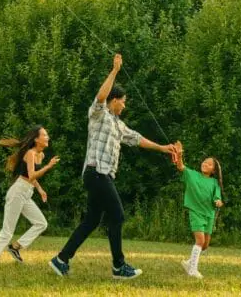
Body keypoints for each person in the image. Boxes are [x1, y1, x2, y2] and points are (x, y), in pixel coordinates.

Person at [49, 53, 178, 280]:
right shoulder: (99, 115)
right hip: (96, 173)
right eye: (123, 100)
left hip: (102, 175)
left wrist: (163, 148)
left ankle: (61, 260)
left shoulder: (119, 125)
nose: (125, 105)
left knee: (91, 221)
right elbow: (100, 96)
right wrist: (115, 71)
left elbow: (137, 138)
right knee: (117, 216)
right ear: (114, 99)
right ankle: (119, 267)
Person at [0, 125, 60, 268]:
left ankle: (15, 247)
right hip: (17, 192)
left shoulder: (40, 155)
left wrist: (40, 189)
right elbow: (31, 175)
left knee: (41, 223)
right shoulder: (30, 153)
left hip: (26, 193)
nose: (47, 137)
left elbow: (31, 177)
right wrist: (48, 166)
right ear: (37, 139)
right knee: (7, 231)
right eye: (45, 135)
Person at [172, 142, 223, 279]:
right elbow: (181, 166)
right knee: (199, 241)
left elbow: (217, 196)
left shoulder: (214, 183)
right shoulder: (192, 174)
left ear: (214, 171)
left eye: (209, 164)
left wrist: (218, 201)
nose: (205, 164)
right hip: (196, 212)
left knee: (205, 245)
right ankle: (192, 270)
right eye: (204, 162)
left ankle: (189, 263)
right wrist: (180, 154)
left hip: (209, 214)